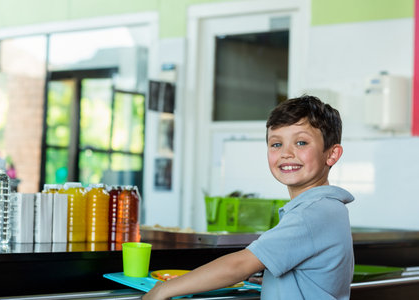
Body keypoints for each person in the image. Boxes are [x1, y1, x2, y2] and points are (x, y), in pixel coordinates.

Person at [142, 95, 354, 300]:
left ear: (332, 154)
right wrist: (275, 282)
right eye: (276, 144)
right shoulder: (329, 207)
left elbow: (238, 266)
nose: (286, 153)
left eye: (301, 143)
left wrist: (165, 289)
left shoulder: (312, 212)